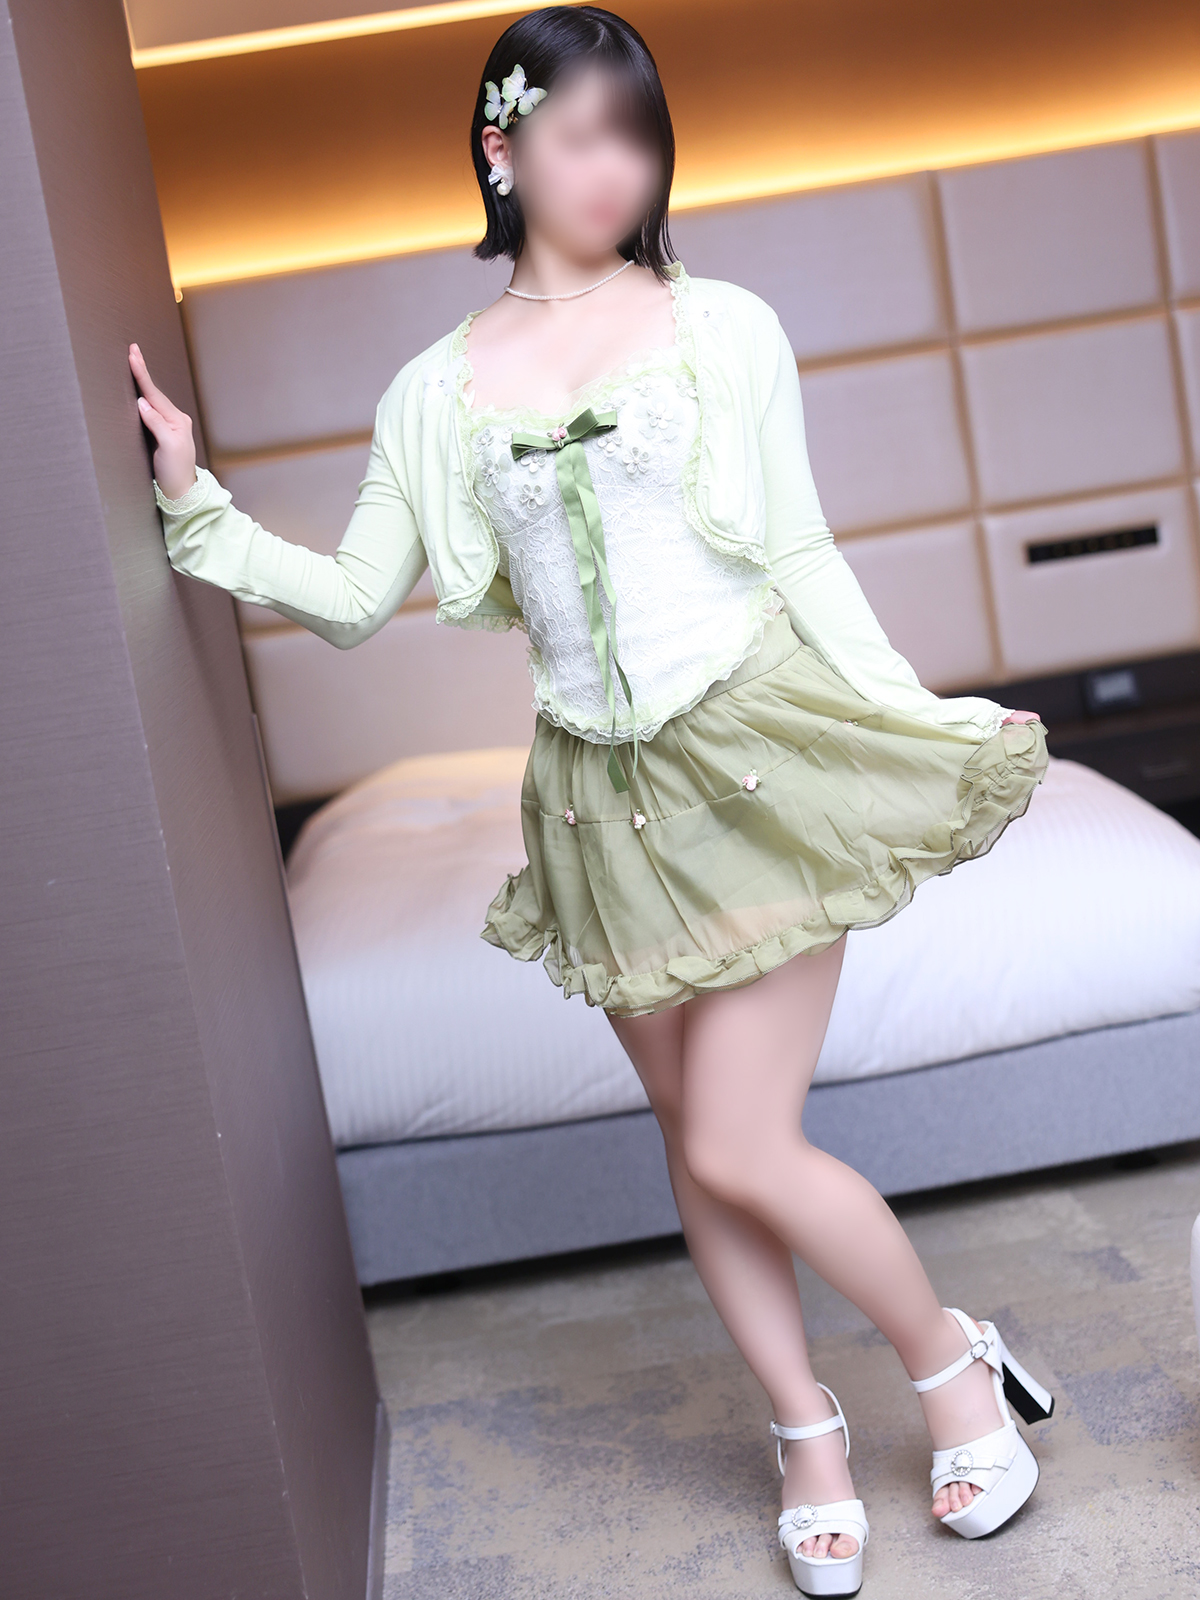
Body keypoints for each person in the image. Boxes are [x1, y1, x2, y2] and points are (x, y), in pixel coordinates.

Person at [129, 7, 1055, 1592]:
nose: (615, 165)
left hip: (753, 755)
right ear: (502, 148)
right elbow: (353, 599)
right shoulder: (432, 390)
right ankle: (805, 1430)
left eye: (637, 132)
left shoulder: (721, 326)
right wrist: (195, 506)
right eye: (579, 134)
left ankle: (952, 1366)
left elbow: (800, 550)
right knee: (697, 1143)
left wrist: (915, 713)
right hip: (591, 802)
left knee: (747, 1141)